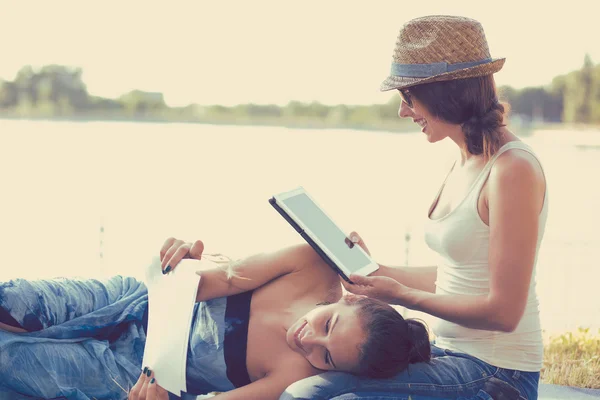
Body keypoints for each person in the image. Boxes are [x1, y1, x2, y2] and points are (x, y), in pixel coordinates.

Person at [281, 15, 548, 400]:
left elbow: (504, 313)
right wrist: (378, 274)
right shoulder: (465, 160)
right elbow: (462, 276)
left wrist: (400, 294)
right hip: (452, 355)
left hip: (498, 372)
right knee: (300, 377)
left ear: (445, 93)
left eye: (408, 97)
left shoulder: (512, 170)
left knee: (312, 396)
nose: (404, 112)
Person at [0, 238, 430, 400]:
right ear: (347, 299)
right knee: (15, 301)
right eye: (327, 325)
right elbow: (216, 280)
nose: (307, 341)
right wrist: (188, 258)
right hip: (140, 299)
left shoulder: (292, 374)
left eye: (327, 358)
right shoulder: (310, 265)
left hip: (139, 371)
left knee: (8, 359)